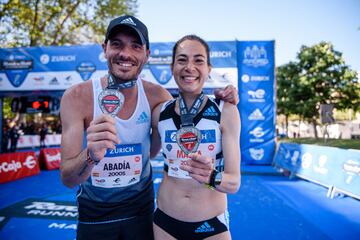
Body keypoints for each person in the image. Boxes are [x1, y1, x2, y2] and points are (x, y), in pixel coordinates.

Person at [60, 15, 238, 240]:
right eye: (117, 44)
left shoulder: (158, 98)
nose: (125, 54)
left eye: (136, 46)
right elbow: (68, 179)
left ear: (147, 54)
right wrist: (91, 155)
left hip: (141, 211)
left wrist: (224, 98)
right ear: (104, 48)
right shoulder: (76, 97)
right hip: (95, 213)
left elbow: (172, 133)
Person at [151, 35, 241, 240]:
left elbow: (234, 183)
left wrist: (210, 176)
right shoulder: (159, 113)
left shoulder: (225, 110)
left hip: (211, 226)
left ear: (208, 69)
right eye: (182, 60)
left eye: (198, 60)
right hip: (165, 222)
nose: (189, 67)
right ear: (172, 67)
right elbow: (148, 152)